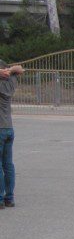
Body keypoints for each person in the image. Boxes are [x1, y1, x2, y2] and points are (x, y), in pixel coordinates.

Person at [0, 59, 24, 209]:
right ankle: (9, 198)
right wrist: (12, 70)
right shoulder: (12, 80)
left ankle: (0, 199)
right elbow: (19, 68)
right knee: (8, 164)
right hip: (9, 128)